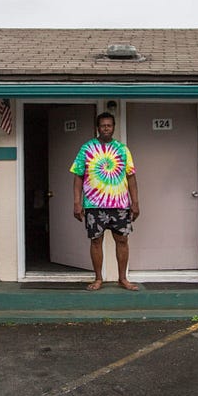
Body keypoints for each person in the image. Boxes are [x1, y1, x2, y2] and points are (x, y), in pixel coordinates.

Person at [71, 112, 140, 291]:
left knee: (122, 240)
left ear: (114, 127)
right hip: (94, 205)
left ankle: (123, 279)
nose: (106, 128)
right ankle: (98, 278)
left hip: (120, 204)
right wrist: (77, 203)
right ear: (97, 128)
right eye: (103, 125)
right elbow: (78, 176)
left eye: (109, 125)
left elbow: (131, 177)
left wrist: (135, 202)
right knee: (95, 241)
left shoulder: (123, 149)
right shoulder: (86, 149)